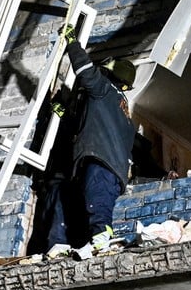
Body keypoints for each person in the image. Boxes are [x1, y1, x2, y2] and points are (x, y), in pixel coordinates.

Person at [45, 24, 137, 252]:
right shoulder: (122, 113)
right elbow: (87, 127)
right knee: (87, 202)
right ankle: (85, 240)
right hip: (112, 171)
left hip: (101, 164)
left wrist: (72, 42)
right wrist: (64, 113)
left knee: (97, 203)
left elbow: (85, 70)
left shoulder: (104, 89)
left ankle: (102, 237)